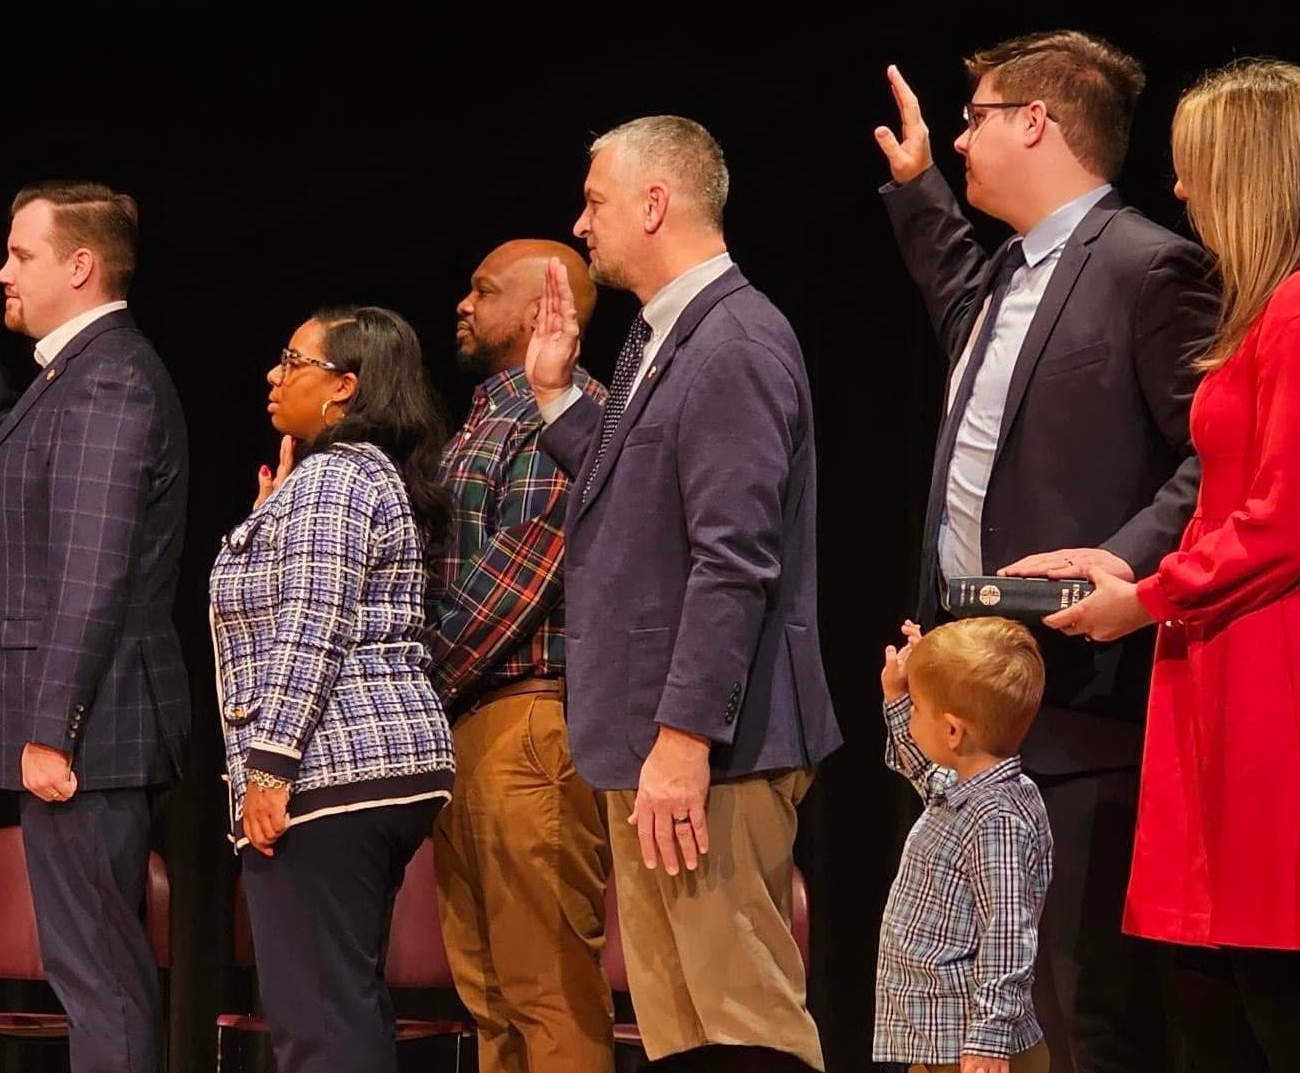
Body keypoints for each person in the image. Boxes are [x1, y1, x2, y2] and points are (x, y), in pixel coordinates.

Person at [1045, 58, 1300, 1073]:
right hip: (1230, 651)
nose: (1177, 189)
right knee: (1204, 976)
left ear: (1256, 169)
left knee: (1278, 978)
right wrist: (1131, 568)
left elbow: (1280, 525)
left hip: (1292, 666)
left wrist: (1141, 599)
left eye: (1194, 166)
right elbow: (1237, 507)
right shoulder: (1283, 306)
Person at [873, 31, 1218, 1071]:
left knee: (1074, 1005)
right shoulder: (1002, 277)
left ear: (1034, 122)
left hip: (1074, 690)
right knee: (974, 1002)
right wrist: (919, 182)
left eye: (974, 115)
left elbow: (1218, 455)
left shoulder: (1149, 265)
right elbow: (961, 306)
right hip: (972, 695)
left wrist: (1115, 564)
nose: (964, 133)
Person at [525, 115, 841, 1073]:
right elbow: (639, 504)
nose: (582, 225)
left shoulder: (734, 341)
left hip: (713, 750)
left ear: (655, 204)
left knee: (744, 1023)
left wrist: (685, 737)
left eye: (596, 202)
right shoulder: (669, 338)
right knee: (678, 1033)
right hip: (659, 744)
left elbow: (733, 559)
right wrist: (556, 402)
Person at [0, 180, 190, 1073]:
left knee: (100, 977)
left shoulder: (114, 379)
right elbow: (26, 465)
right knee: (87, 969)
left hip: (87, 735)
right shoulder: (76, 376)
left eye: (21, 255)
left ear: (81, 267)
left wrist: (53, 731)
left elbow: (92, 572)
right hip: (79, 732)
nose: (3, 272)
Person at [213, 306, 457, 1073]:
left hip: (329, 770)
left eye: (293, 360)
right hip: (377, 770)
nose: (273, 374)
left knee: (317, 1023)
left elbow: (311, 626)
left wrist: (268, 769)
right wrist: (264, 527)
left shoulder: (333, 475)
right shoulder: (357, 477)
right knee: (342, 1005)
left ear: (344, 387)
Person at [428, 239, 612, 1073]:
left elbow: (519, 574)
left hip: (530, 719)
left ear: (544, 306)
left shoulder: (566, 417)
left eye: (480, 289)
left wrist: (413, 675)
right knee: (490, 996)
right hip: (471, 721)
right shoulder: (484, 417)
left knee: (548, 994)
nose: (462, 304)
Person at [876, 617, 1053, 1073]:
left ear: (954, 732)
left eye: (917, 708)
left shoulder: (996, 817)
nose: (911, 715)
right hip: (938, 1044)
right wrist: (900, 696)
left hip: (971, 1053)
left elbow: (1008, 931)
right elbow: (922, 771)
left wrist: (991, 1037)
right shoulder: (968, 790)